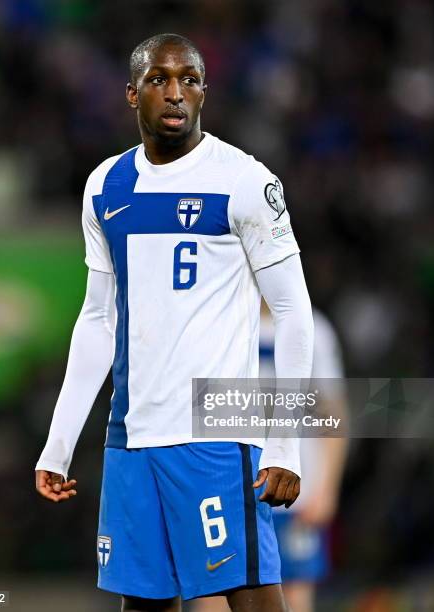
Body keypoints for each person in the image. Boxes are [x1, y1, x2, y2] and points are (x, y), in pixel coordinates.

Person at [35, 33, 314, 612]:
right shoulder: (105, 186)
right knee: (143, 604)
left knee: (253, 596)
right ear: (132, 93)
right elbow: (96, 320)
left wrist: (287, 443)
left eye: (189, 79)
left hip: (214, 431)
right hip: (131, 435)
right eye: (160, 79)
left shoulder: (243, 181)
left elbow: (291, 313)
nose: (175, 93)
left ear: (205, 94)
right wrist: (58, 446)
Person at [193, 307, 348, 612]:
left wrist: (328, 487)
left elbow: (332, 414)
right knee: (215, 592)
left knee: (295, 595)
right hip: (229, 487)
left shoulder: (314, 327)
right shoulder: (216, 318)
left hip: (296, 493)